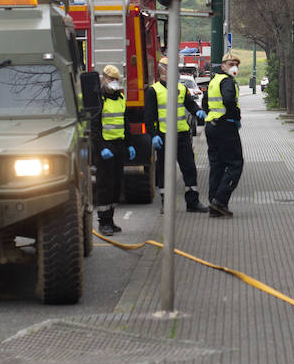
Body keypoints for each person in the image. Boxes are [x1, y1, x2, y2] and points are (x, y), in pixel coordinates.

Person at [144, 57, 208, 212]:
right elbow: (149, 117)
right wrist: (154, 136)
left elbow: (190, 104)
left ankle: (192, 202)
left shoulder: (181, 88)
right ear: (164, 70)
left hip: (182, 134)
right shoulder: (154, 91)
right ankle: (166, 204)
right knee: (164, 170)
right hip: (164, 136)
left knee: (189, 168)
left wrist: (198, 111)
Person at [93, 64, 134, 236]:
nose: (114, 82)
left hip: (118, 145)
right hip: (105, 147)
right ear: (104, 79)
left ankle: (111, 220)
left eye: (116, 79)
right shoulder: (98, 98)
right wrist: (101, 147)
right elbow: (94, 126)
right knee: (105, 185)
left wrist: (130, 144)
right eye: (111, 79)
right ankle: (103, 222)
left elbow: (125, 123)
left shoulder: (120, 97)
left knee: (117, 185)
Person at [203, 54, 244, 217]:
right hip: (225, 125)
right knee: (235, 164)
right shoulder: (227, 81)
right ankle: (220, 200)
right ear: (223, 66)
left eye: (236, 64)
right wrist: (236, 116)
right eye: (230, 64)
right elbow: (228, 100)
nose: (234, 67)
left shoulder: (214, 81)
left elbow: (205, 103)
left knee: (217, 165)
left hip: (211, 125)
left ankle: (214, 203)